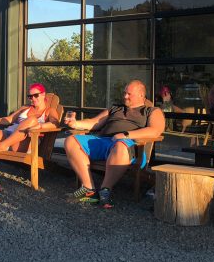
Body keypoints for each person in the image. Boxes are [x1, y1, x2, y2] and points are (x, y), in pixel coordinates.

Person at [63, 80, 165, 208]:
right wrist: (75, 123)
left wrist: (126, 135)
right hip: (104, 141)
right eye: (124, 93)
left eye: (129, 94)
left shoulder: (152, 111)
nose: (125, 96)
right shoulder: (115, 108)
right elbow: (95, 122)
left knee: (120, 146)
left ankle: (105, 190)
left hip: (131, 146)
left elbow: (155, 130)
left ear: (141, 95)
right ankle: (89, 190)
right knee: (71, 141)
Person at [0, 83, 60, 193]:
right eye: (30, 96)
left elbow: (55, 123)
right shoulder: (25, 108)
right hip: (9, 134)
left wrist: (39, 126)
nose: (33, 98)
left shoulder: (49, 110)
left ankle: (2, 146)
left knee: (32, 120)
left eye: (36, 95)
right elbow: (8, 119)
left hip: (27, 141)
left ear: (43, 94)